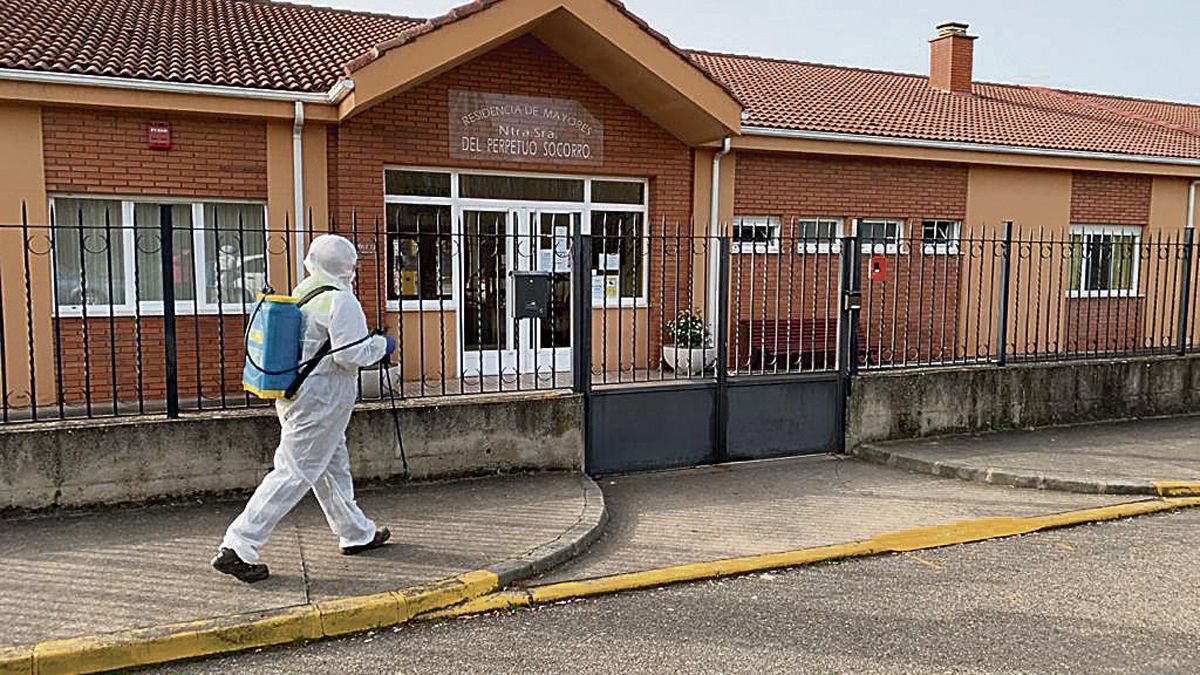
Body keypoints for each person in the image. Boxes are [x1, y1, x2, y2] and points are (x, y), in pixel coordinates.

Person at [213, 234, 397, 583]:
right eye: (353, 265)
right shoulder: (341, 300)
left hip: (296, 393)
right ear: (345, 267)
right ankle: (239, 545)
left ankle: (356, 532)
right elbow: (349, 355)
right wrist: (381, 345)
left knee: (331, 464)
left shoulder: (304, 291)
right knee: (293, 471)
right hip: (322, 399)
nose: (355, 272)